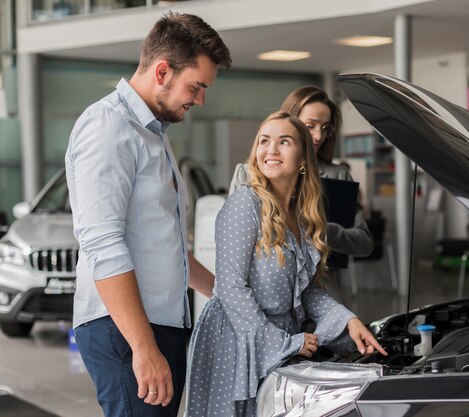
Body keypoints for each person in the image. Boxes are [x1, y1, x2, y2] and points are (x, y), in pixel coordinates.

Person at [65, 12, 231, 417]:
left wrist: (225, 294)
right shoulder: (109, 126)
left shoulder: (151, 133)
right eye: (197, 86)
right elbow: (103, 243)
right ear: (162, 71)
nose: (200, 99)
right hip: (127, 329)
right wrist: (143, 346)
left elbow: (166, 246)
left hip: (157, 326)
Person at [186, 111, 387, 417]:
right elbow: (230, 288)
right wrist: (281, 343)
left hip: (281, 336)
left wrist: (349, 320)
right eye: (264, 141)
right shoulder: (245, 204)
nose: (271, 149)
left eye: (284, 142)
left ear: (304, 158)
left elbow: (306, 292)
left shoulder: (302, 217)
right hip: (238, 337)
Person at [230, 86, 374, 302]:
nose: (318, 136)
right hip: (267, 299)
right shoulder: (248, 175)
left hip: (324, 296)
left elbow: (364, 243)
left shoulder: (338, 175)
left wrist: (319, 230)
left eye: (326, 128)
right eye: (310, 126)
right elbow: (235, 251)